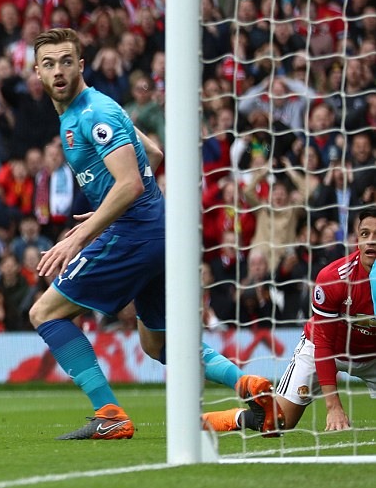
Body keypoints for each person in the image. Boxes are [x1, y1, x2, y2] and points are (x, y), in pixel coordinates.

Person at [30, 28, 280, 440]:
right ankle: (249, 388)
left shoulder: (93, 114)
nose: (58, 71)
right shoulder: (98, 110)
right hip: (157, 232)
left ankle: (108, 413)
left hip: (135, 234)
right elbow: (155, 155)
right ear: (37, 72)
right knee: (159, 345)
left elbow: (130, 184)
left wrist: (80, 235)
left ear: (81, 65)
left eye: (66, 61)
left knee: (45, 313)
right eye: (49, 63)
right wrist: (111, 199)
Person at [203, 208, 376, 434]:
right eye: (365, 234)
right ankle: (217, 419)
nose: (370, 241)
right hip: (327, 349)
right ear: (355, 238)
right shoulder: (333, 278)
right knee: (276, 422)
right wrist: (333, 406)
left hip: (372, 357)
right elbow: (323, 344)